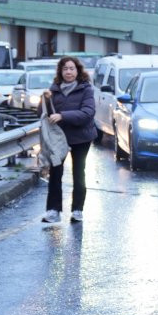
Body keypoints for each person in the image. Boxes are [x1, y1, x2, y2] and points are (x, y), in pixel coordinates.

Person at [40, 56, 97, 224]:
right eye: (65, 69)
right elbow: (44, 114)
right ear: (60, 72)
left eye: (72, 68)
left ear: (78, 70)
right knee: (55, 173)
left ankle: (77, 210)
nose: (69, 72)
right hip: (59, 138)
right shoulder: (54, 89)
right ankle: (53, 211)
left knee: (79, 172)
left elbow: (88, 113)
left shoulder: (86, 89)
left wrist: (62, 115)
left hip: (81, 137)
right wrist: (46, 100)